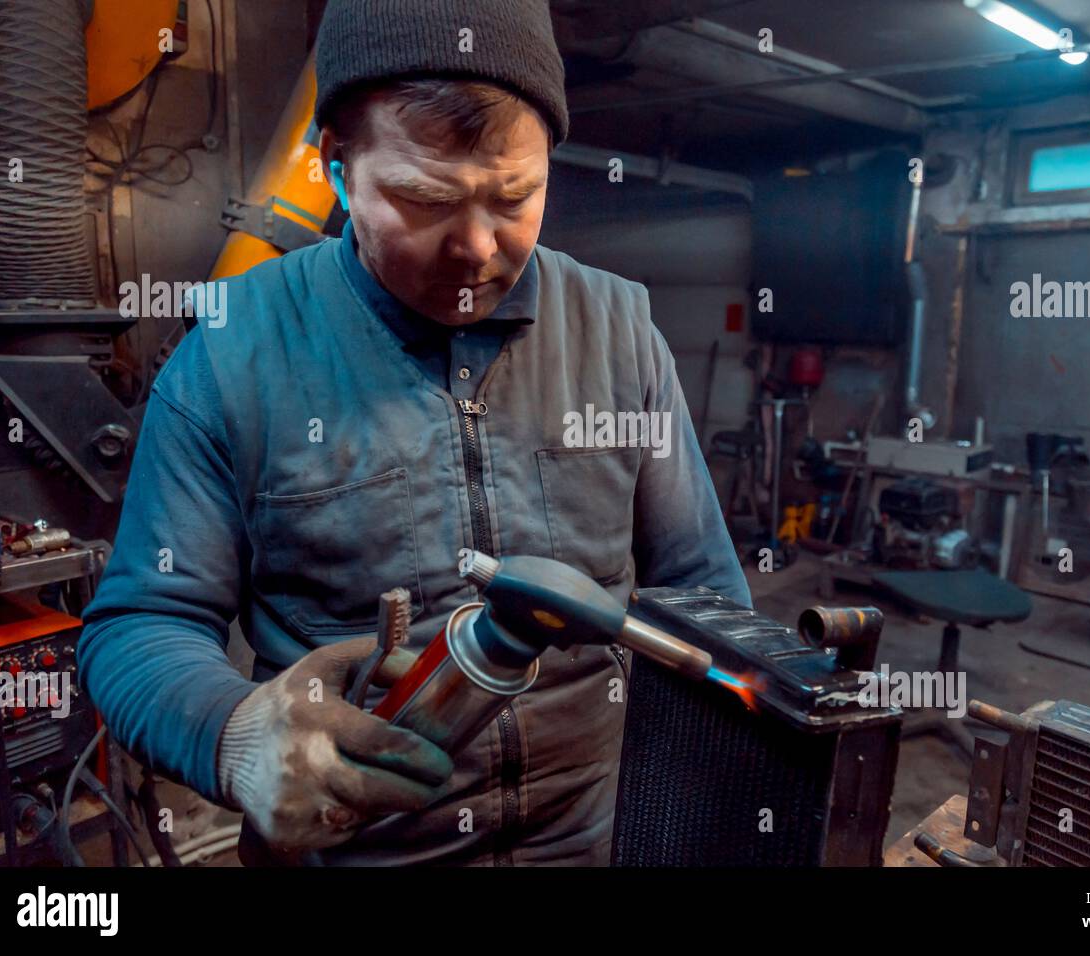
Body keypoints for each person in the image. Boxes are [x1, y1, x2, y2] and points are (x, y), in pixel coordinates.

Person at [79, 0, 750, 866]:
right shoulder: (231, 351)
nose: (476, 248)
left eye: (516, 196)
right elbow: (139, 622)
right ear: (336, 170)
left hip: (591, 842)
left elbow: (702, 590)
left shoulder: (619, 330)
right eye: (424, 199)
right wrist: (235, 734)